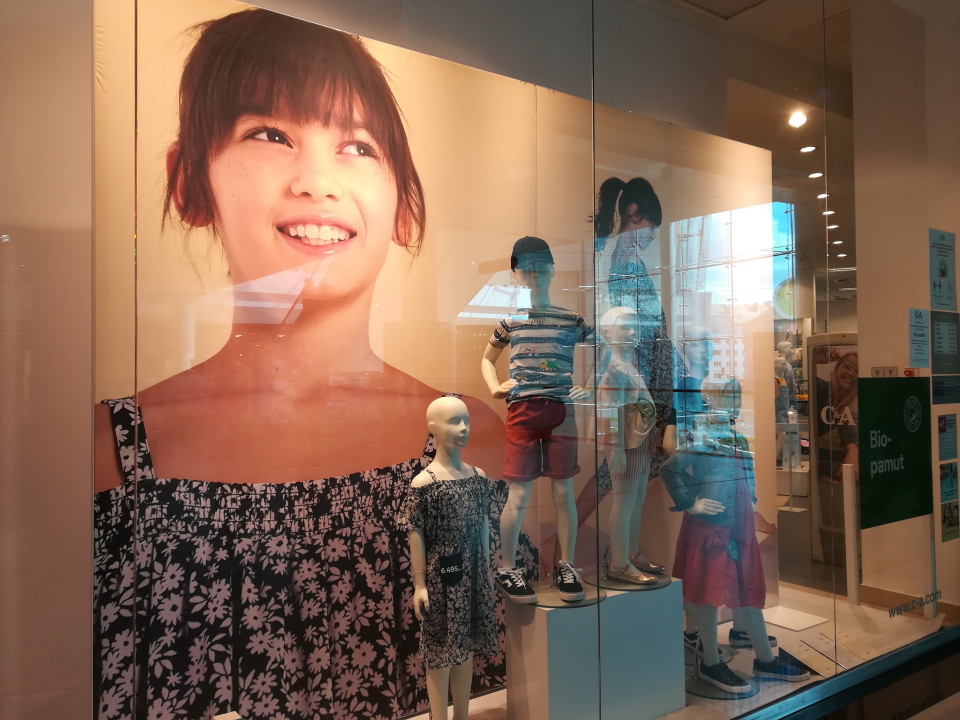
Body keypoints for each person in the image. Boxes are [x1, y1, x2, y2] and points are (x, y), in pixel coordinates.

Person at [93, 10, 505, 720]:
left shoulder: (469, 436)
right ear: (190, 181)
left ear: (403, 204)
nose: (318, 181)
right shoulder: (110, 453)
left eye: (357, 146)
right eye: (269, 133)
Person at [661, 378, 808, 694]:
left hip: (737, 528)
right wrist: (691, 503)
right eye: (728, 397)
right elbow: (669, 470)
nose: (735, 403)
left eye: (737, 397)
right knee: (709, 593)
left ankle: (764, 659)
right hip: (712, 528)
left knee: (746, 592)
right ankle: (711, 661)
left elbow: (748, 479)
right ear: (711, 400)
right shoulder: (703, 437)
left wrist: (752, 509)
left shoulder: (737, 438)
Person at [481, 236, 593, 604]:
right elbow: (487, 358)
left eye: (541, 267)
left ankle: (567, 565)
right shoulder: (511, 321)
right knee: (519, 492)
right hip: (523, 411)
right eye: (527, 269)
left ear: (552, 269)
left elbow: (604, 349)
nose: (535, 274)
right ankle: (507, 568)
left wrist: (590, 386)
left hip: (561, 410)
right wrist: (494, 386)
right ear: (518, 274)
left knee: (563, 490)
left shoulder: (570, 319)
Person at [401, 397, 498, 720]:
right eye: (454, 421)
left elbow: (483, 525)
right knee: (440, 652)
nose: (463, 428)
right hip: (441, 578)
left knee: (465, 648)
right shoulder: (424, 483)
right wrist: (419, 584)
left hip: (472, 574)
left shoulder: (478, 477)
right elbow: (416, 532)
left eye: (466, 420)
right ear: (433, 429)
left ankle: (462, 716)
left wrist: (485, 571)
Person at [594, 176, 677, 481]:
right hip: (646, 375)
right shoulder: (623, 263)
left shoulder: (623, 260)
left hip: (651, 375)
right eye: (652, 226)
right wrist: (643, 393)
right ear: (633, 211)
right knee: (628, 464)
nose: (654, 235)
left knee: (632, 466)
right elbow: (629, 332)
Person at [596, 307, 663, 584]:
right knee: (624, 500)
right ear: (607, 331)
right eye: (625, 326)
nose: (633, 332)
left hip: (638, 440)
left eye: (635, 325)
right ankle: (619, 562)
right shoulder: (612, 367)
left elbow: (635, 405)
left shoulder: (627, 364)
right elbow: (611, 411)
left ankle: (631, 553)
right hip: (626, 443)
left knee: (637, 497)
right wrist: (616, 448)